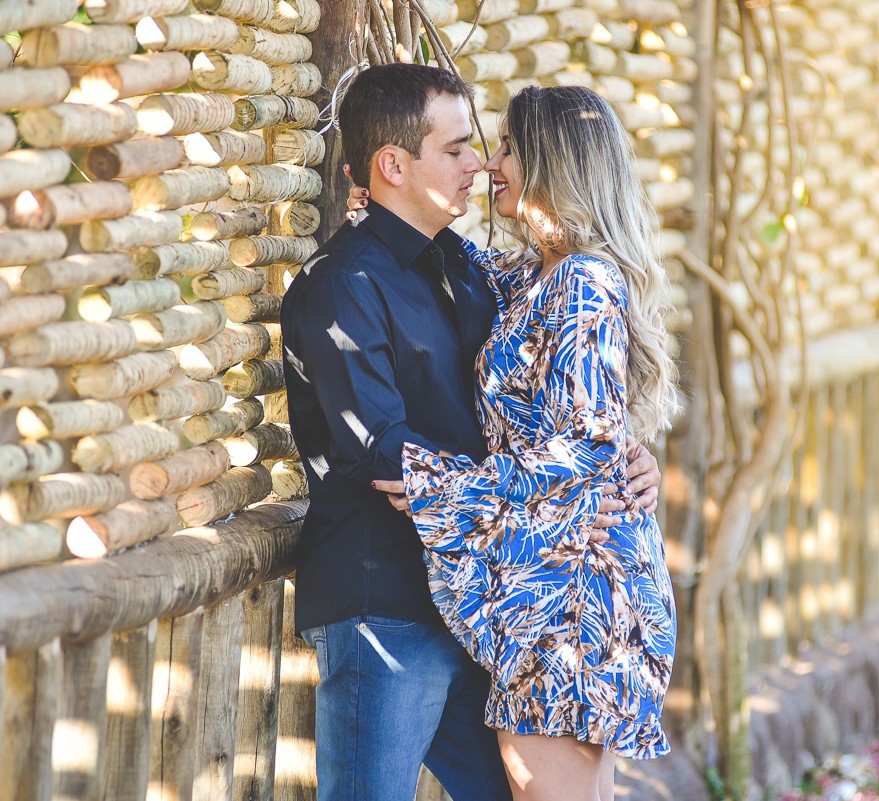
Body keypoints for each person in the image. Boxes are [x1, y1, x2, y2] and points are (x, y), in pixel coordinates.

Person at [279, 64, 662, 801]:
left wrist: (616, 456)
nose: (481, 164)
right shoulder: (343, 285)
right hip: (384, 601)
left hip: (494, 596)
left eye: (491, 147)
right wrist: (585, 462)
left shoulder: (472, 270)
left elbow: (571, 411)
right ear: (393, 165)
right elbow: (377, 448)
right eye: (457, 149)